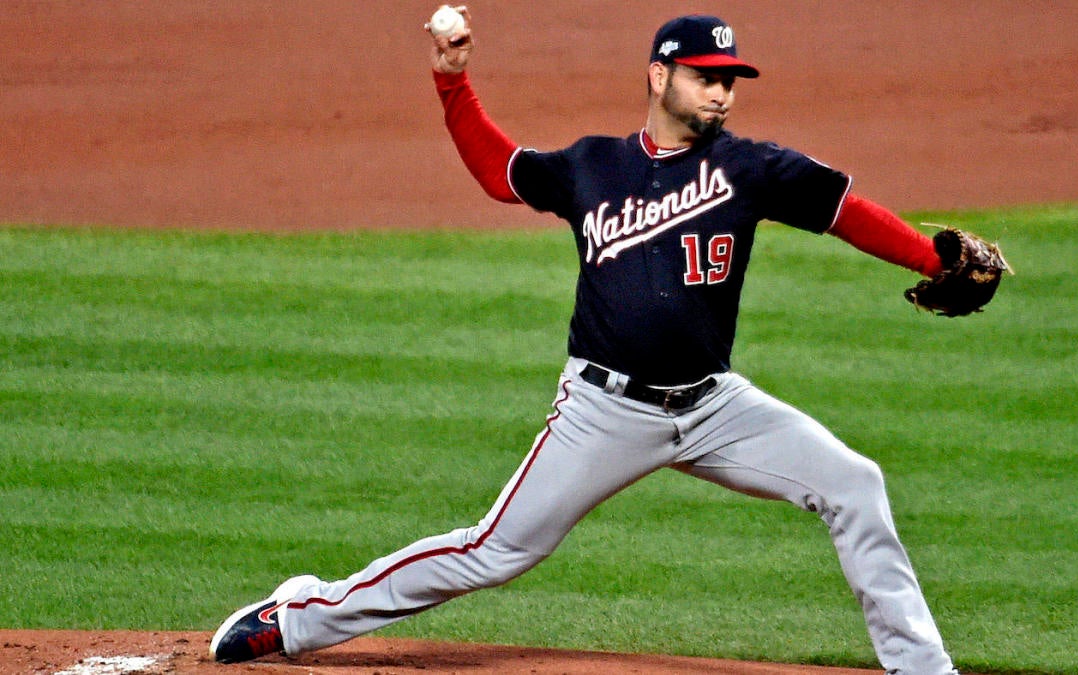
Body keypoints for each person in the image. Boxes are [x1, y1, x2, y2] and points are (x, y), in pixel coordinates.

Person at [210, 10, 962, 674]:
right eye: (705, 77)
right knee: (493, 550)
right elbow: (499, 171)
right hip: (605, 410)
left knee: (853, 481)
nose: (722, 93)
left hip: (715, 406)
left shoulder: (751, 167)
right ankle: (300, 616)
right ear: (659, 75)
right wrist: (452, 83)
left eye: (730, 80)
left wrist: (934, 259)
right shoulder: (592, 166)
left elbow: (846, 212)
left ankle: (923, 670)